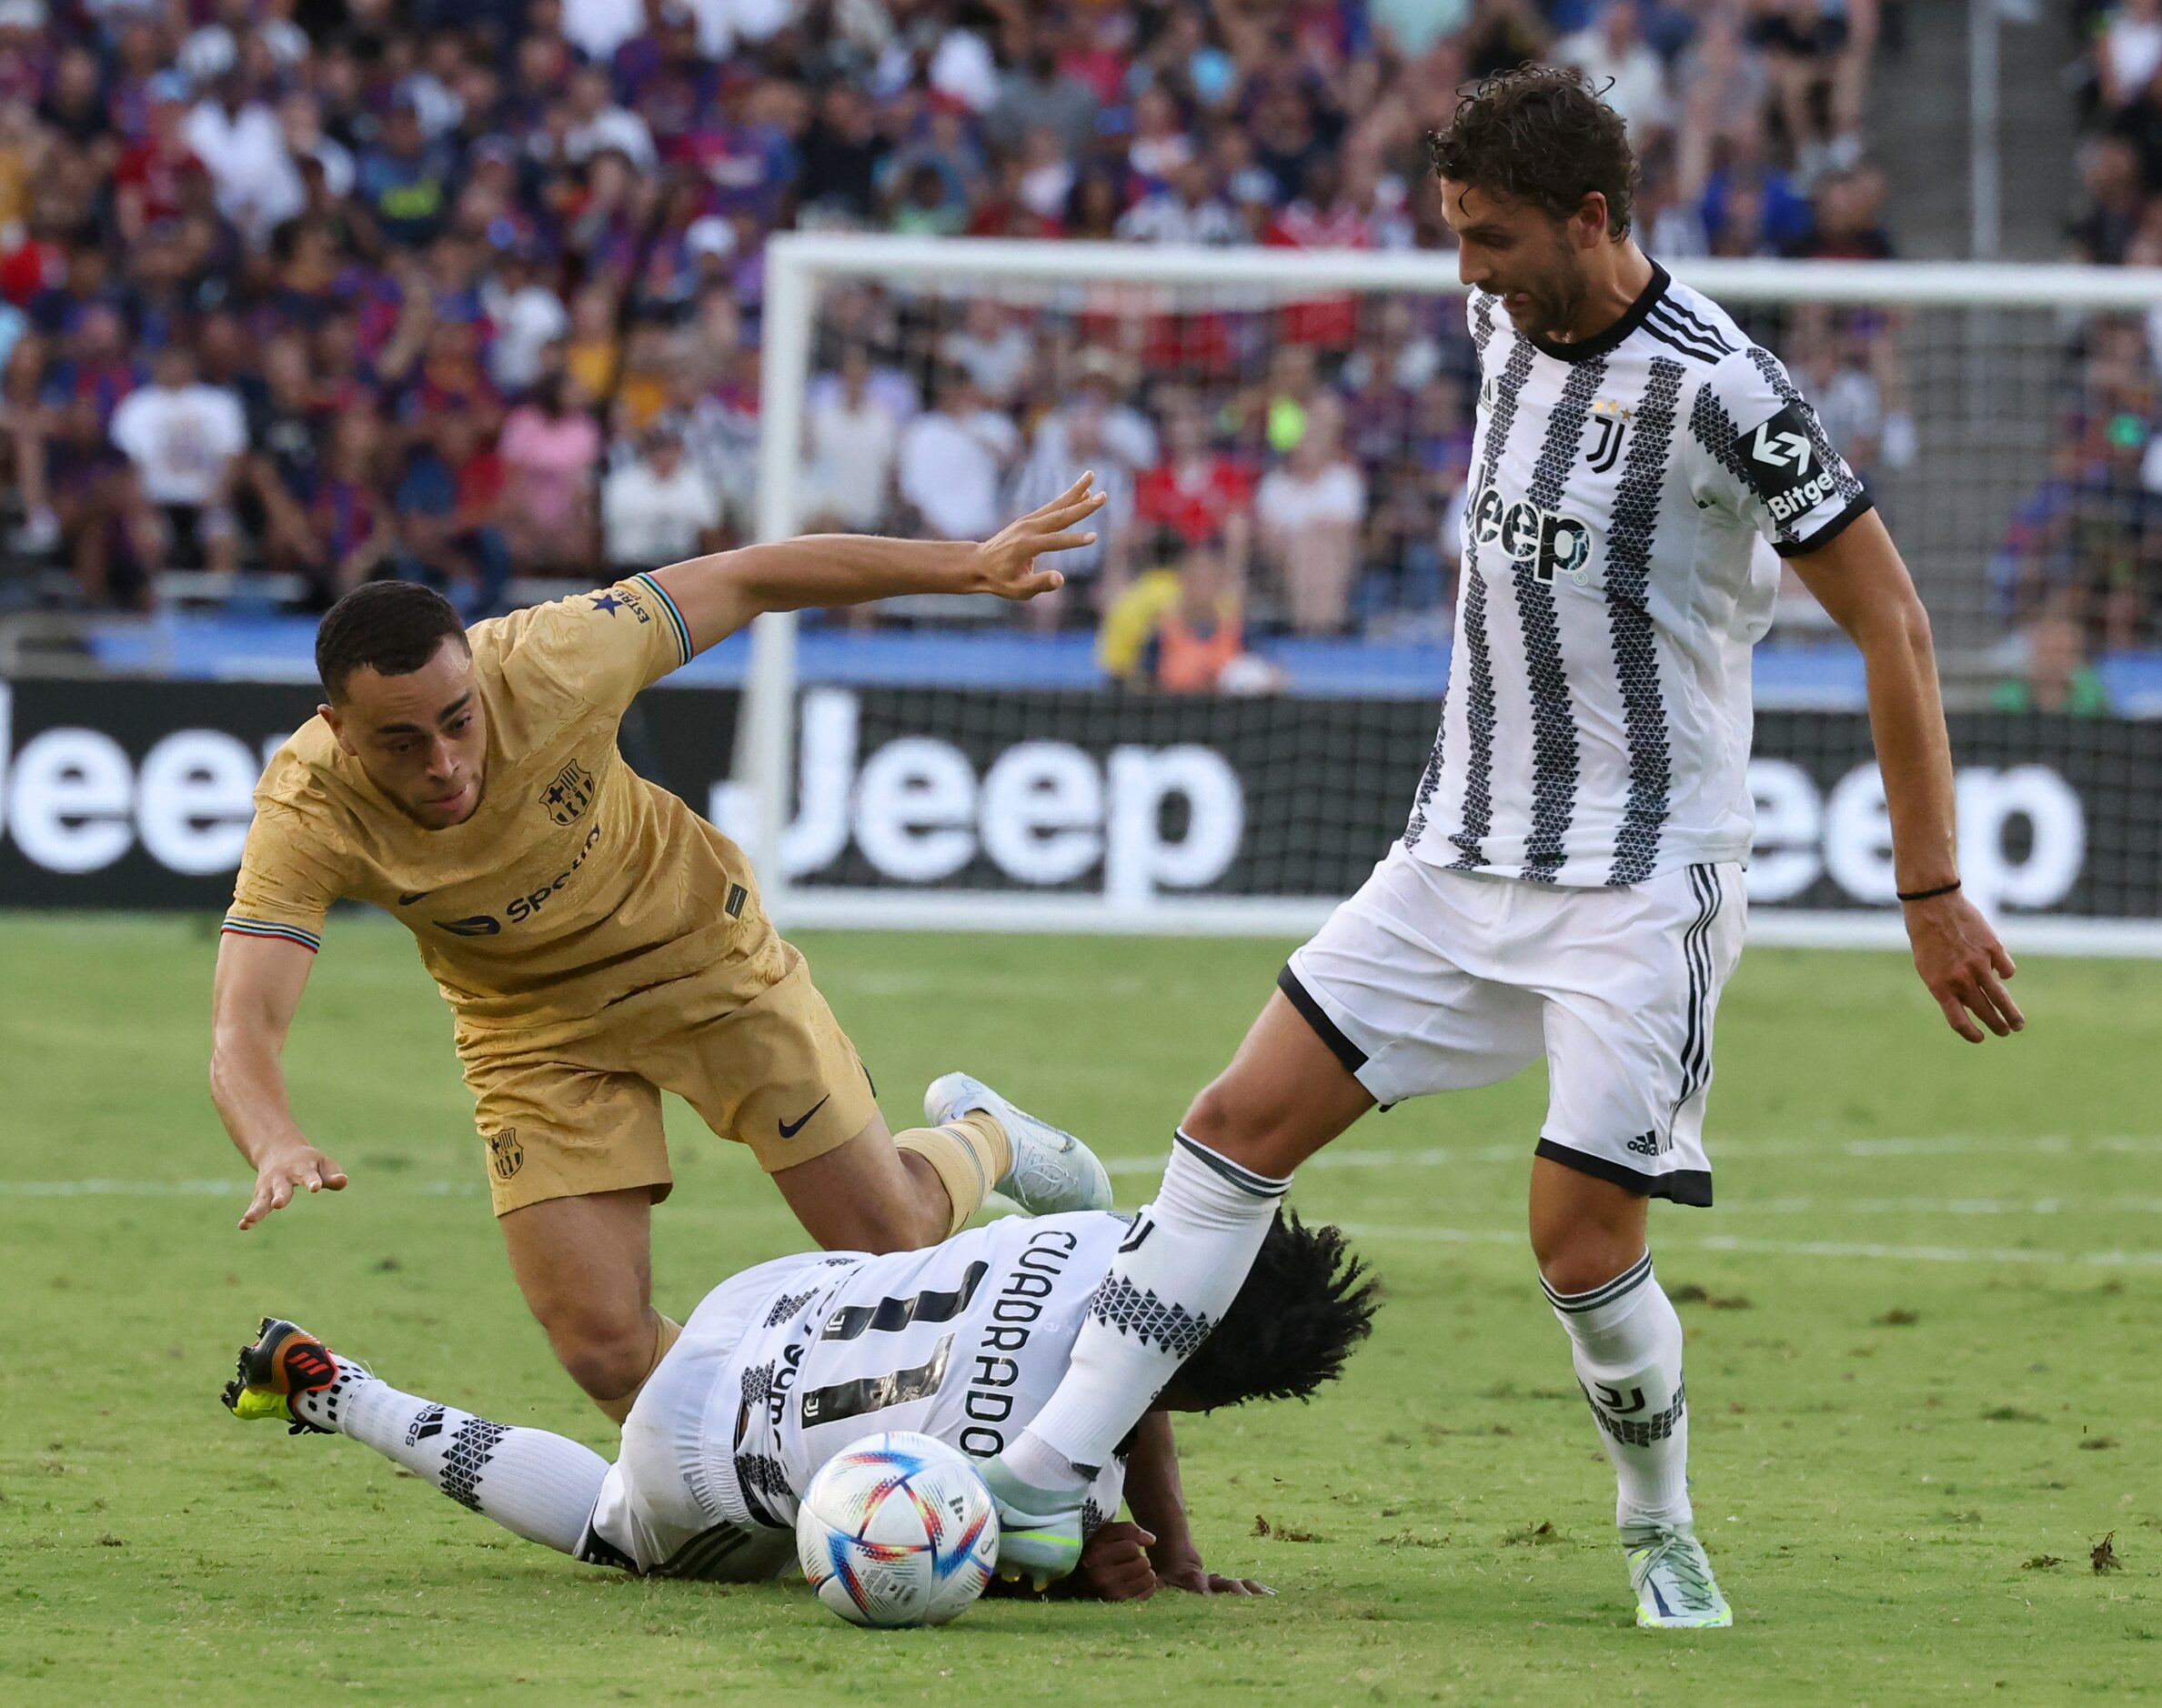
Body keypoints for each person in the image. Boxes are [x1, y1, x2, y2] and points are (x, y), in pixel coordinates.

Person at [977, 68, 2026, 1632]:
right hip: (1454, 855)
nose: (1463, 266)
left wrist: (1928, 885)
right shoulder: (1498, 330)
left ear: (1589, 219)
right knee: (1231, 1128)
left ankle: (1657, 1522)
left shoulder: (1725, 389)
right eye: (1454, 231)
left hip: (1638, 879)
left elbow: (1893, 621)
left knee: (1574, 1234)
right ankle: (1045, 1473)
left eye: (1489, 235)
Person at [208, 479, 1117, 1428]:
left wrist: (966, 564)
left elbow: (753, 575)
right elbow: (242, 1027)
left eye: (458, 721)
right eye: (400, 743)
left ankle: (988, 1136)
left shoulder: (558, 654)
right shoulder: (305, 813)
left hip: (700, 957)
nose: (443, 763)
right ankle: (771, 1469)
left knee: (889, 1234)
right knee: (603, 1351)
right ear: (335, 728)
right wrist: (273, 1140)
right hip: (531, 1028)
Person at [220, 1175, 1377, 1597]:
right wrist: (1105, 1568)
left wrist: (1164, 1546)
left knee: (962, 1246)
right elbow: (998, 1549)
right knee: (619, 1536)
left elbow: (1137, 1373)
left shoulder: (1112, 1240)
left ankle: (987, 1141)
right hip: (703, 1451)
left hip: (775, 1297)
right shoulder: (1047, 1490)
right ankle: (338, 1391)